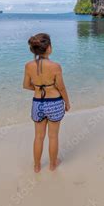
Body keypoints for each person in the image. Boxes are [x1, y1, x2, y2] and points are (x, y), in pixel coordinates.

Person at [23, 33, 70, 172]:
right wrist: (67, 102)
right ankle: (52, 164)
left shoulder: (28, 66)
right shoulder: (55, 66)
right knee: (53, 136)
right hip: (54, 102)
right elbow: (61, 87)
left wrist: (38, 88)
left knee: (38, 137)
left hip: (38, 103)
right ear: (48, 48)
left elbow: (26, 85)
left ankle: (37, 166)